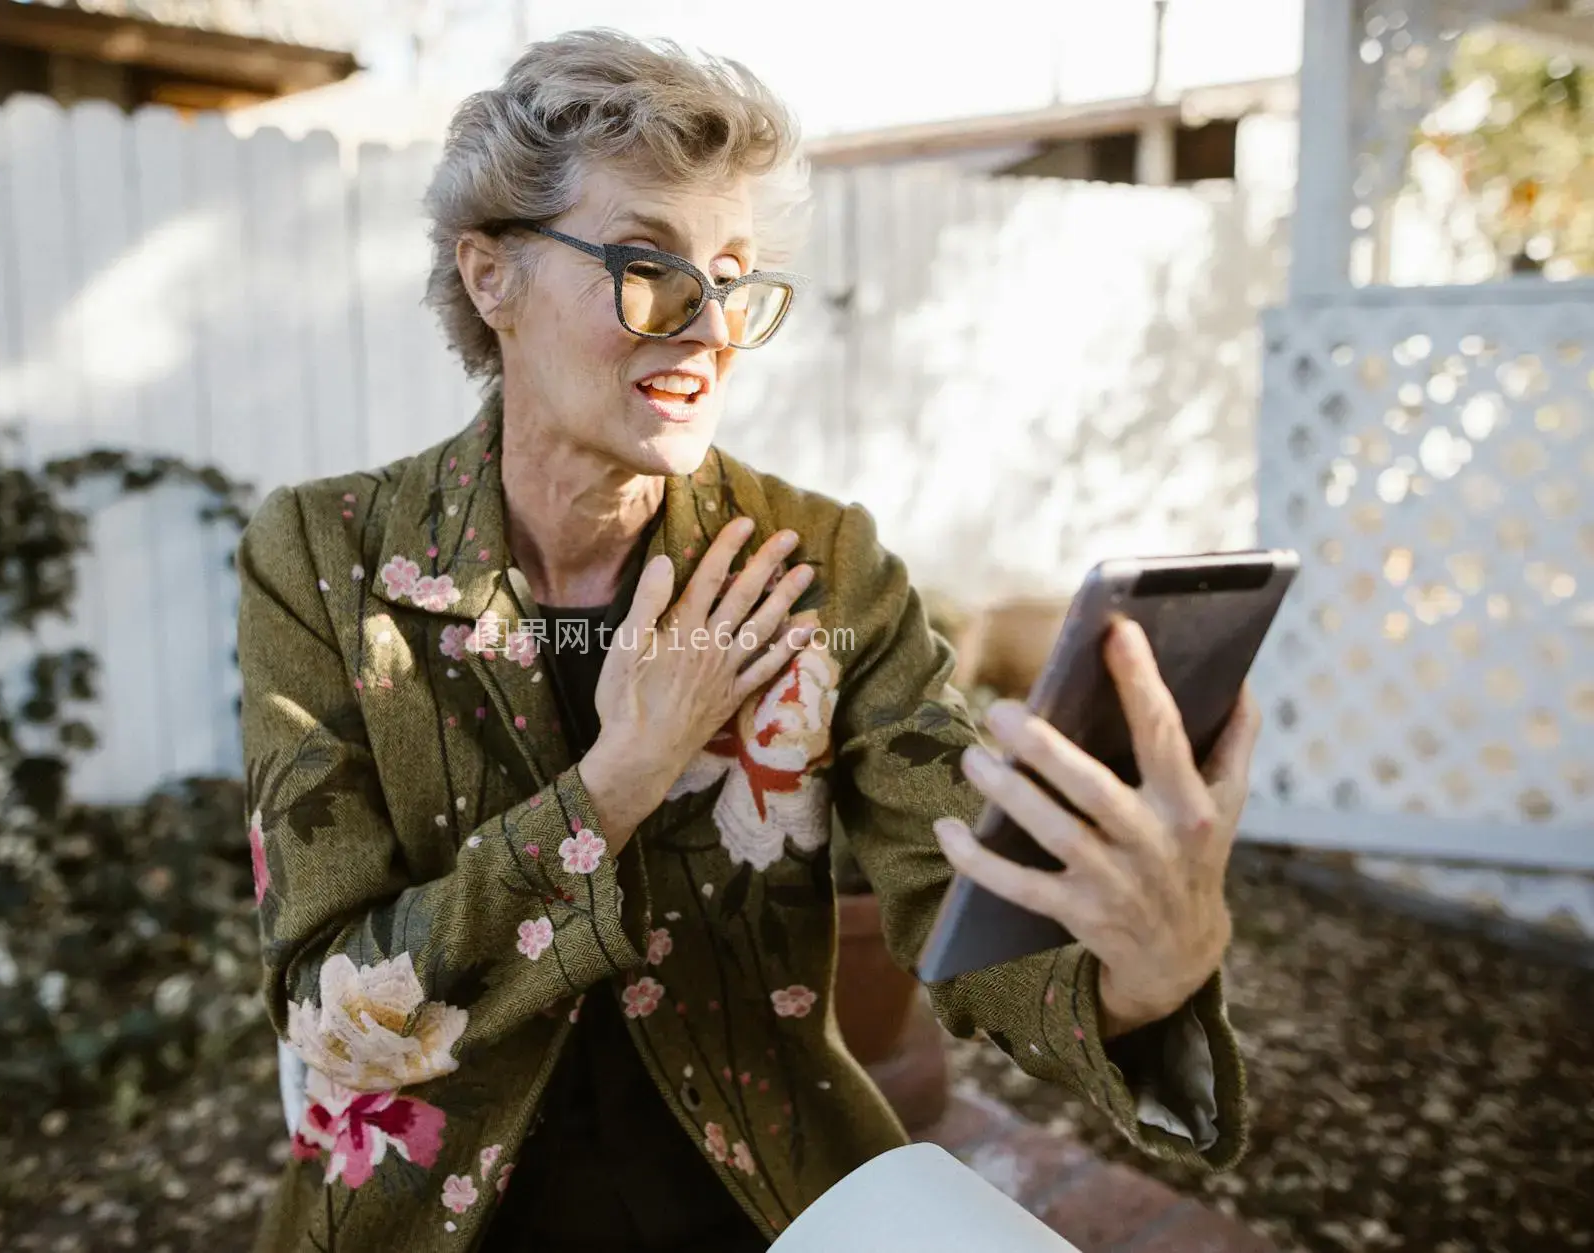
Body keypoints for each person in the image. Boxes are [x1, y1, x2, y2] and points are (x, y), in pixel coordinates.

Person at [239, 30, 1255, 1253]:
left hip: (776, 1204)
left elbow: (954, 889)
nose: (709, 325)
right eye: (648, 268)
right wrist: (615, 781)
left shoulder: (818, 566)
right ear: (490, 276)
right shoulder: (323, 558)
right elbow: (331, 1014)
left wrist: (1143, 976)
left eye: (732, 277)